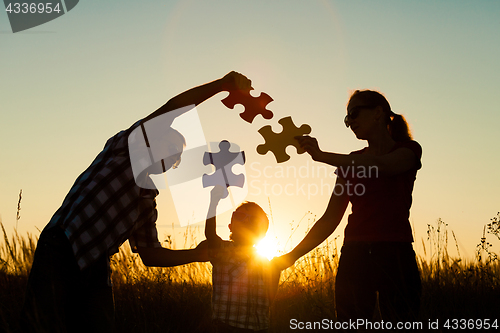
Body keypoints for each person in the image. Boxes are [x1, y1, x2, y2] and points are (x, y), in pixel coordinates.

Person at [20, 71, 252, 333]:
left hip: (95, 267)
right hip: (61, 246)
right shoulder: (124, 147)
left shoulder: (147, 199)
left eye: (176, 159)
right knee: (40, 326)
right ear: (152, 139)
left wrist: (197, 254)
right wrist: (221, 85)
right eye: (171, 149)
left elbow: (151, 255)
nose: (171, 161)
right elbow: (173, 108)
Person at [278, 90, 422, 325]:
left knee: (401, 325)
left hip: (396, 254)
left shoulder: (408, 150)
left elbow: (382, 166)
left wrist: (322, 156)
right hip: (354, 256)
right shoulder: (349, 163)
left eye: (354, 114)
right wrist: (290, 257)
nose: (350, 123)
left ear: (378, 113)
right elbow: (329, 219)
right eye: (347, 119)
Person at [205, 186, 281, 333]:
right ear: (230, 226)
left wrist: (276, 271)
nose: (246, 222)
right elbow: (210, 233)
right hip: (225, 326)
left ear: (262, 232)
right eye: (240, 217)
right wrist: (213, 202)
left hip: (258, 328)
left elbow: (268, 299)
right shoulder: (221, 250)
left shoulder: (265, 262)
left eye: (253, 220)